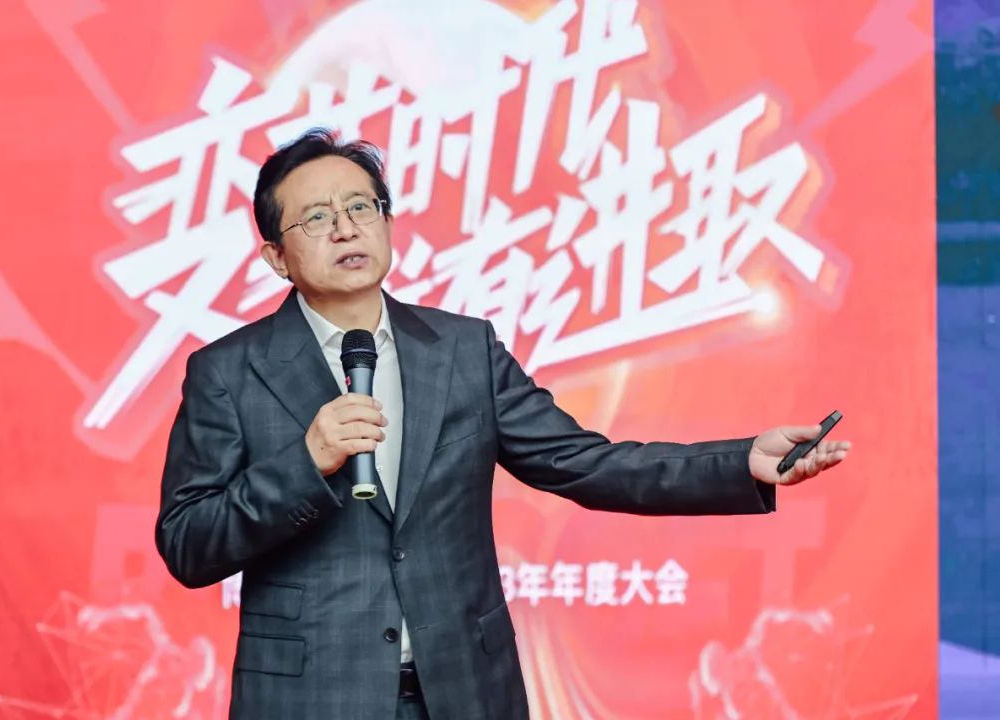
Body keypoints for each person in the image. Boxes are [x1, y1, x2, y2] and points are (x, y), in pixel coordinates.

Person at [155, 129, 850, 720]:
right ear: (276, 257)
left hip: (466, 689)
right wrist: (305, 464)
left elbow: (586, 462)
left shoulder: (463, 351)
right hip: (311, 698)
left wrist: (740, 461)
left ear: (387, 223)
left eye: (361, 206)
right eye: (315, 217)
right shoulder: (228, 372)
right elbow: (188, 544)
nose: (345, 227)